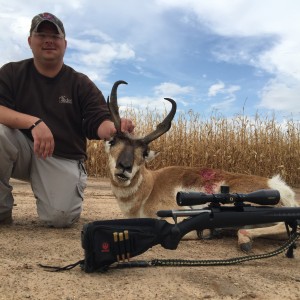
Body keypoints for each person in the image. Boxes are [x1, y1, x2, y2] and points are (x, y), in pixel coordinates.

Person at [0, 12, 134, 227]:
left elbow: (97, 121)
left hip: (61, 156)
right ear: (29, 41)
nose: (48, 40)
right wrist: (33, 122)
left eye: (55, 36)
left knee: (59, 218)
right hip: (23, 151)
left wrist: (113, 129)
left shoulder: (80, 83)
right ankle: (1, 210)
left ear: (65, 43)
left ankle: (59, 190)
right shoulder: (12, 73)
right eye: (41, 34)